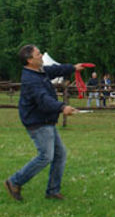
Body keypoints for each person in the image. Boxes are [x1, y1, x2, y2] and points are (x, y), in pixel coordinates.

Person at [4, 44, 81, 201]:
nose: (41, 56)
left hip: (46, 120)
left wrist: (73, 68)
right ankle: (14, 181)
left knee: (59, 155)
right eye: (38, 54)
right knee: (46, 156)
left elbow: (55, 70)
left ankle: (52, 191)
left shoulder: (40, 71)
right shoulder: (31, 80)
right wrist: (62, 107)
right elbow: (44, 101)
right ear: (30, 60)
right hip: (37, 121)